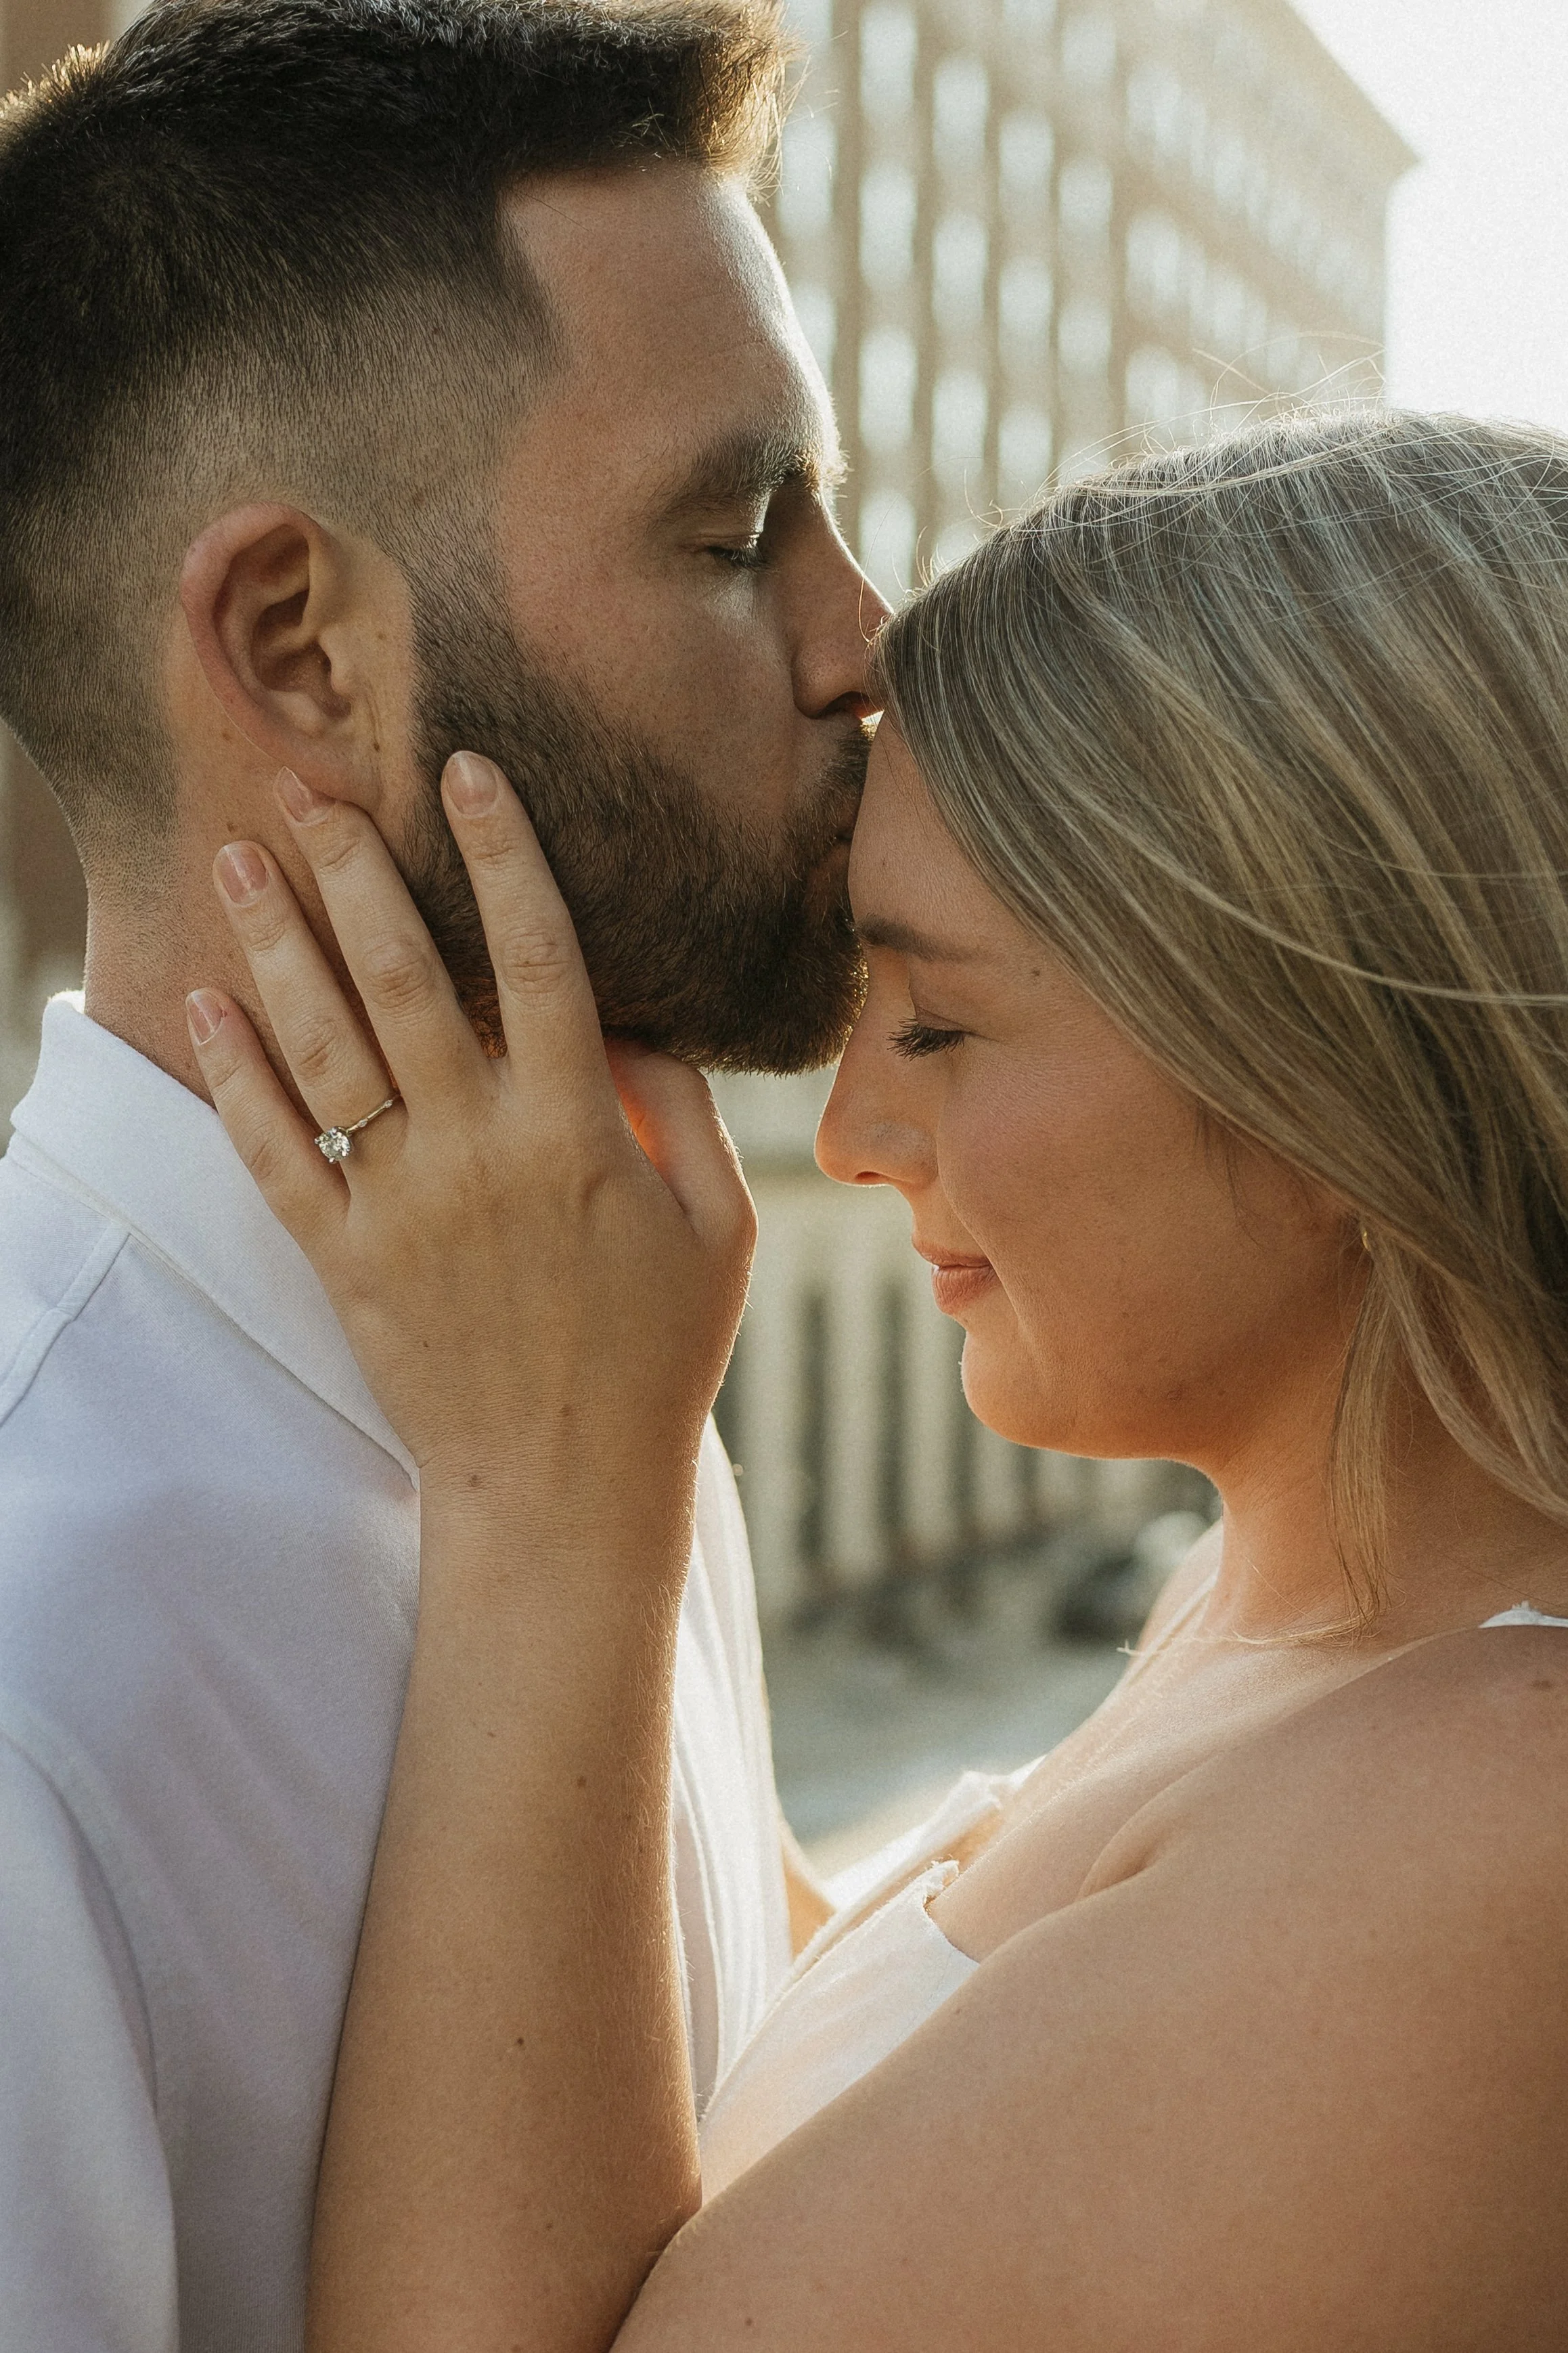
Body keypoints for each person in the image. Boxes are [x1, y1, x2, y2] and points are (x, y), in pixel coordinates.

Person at [196, 409, 1568, 2351]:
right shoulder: (1276, 1621)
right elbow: (867, 2102)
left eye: (932, 1021)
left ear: (1328, 1063)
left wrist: (557, 1499)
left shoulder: (1491, 1828)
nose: (848, 1131)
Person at [0, 2, 878, 2342]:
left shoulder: (575, 1340)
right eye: (736, 531)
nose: (860, 635)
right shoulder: (30, 1661)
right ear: (299, 649)